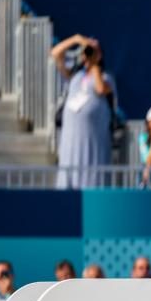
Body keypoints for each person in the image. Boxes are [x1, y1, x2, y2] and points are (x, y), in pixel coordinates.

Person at [54, 35, 115, 188]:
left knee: (92, 179)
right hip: (71, 144)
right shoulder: (75, 75)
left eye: (93, 51)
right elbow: (55, 53)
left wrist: (95, 65)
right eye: (87, 51)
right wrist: (76, 40)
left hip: (93, 144)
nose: (88, 54)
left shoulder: (106, 77)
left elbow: (101, 89)